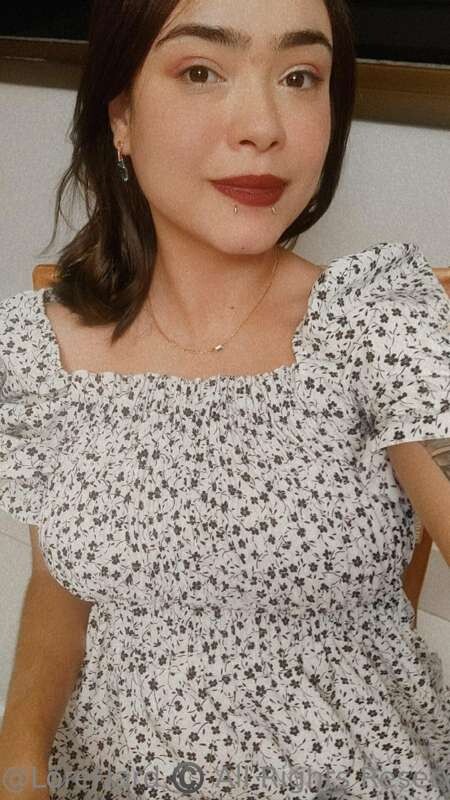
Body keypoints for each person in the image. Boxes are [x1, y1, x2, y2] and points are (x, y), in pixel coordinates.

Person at [0, 0, 449, 798]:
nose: (263, 127)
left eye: (300, 77)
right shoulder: (39, 349)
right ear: (121, 117)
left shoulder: (382, 319)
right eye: (202, 70)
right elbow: (62, 590)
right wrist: (19, 765)